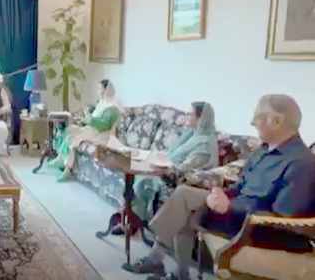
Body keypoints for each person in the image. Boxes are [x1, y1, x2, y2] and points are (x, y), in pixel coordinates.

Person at [123, 94, 315, 280]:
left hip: (255, 230)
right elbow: (241, 185)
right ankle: (169, 267)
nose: (252, 123)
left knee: (187, 209)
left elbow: (283, 221)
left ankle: (164, 264)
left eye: (258, 117)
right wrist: (221, 195)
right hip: (238, 212)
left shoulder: (302, 163)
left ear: (276, 121)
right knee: (183, 195)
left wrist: (230, 206)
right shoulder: (264, 150)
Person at [132, 102, 219, 222]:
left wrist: (165, 167)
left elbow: (186, 168)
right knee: (135, 169)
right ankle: (131, 217)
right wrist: (160, 158)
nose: (186, 117)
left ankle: (139, 220)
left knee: (142, 181)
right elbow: (172, 152)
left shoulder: (205, 145)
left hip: (179, 180)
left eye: (190, 114)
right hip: (167, 167)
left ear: (200, 119)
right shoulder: (192, 133)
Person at [51, 79, 122, 181]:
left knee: (73, 138)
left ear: (107, 90)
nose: (99, 91)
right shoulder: (102, 103)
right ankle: (61, 157)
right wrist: (82, 120)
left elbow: (103, 125)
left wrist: (88, 116)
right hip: (92, 130)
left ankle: (67, 169)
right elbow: (92, 119)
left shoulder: (113, 108)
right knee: (68, 129)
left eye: (100, 89)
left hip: (101, 135)